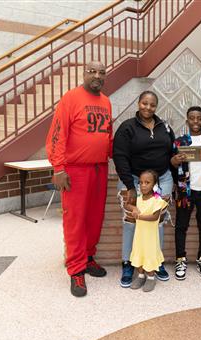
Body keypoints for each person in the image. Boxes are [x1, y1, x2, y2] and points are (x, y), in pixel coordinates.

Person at [45, 61, 112, 297]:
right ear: (84, 74)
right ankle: (75, 270)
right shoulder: (71, 98)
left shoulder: (105, 101)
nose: (97, 76)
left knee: (94, 218)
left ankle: (88, 257)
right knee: (75, 220)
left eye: (101, 72)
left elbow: (107, 135)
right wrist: (59, 167)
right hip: (75, 170)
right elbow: (57, 134)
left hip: (99, 168)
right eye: (92, 71)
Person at [112, 90, 175, 288]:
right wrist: (130, 186)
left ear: (157, 107)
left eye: (152, 104)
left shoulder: (164, 126)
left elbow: (172, 151)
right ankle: (129, 263)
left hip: (162, 178)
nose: (148, 107)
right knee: (132, 221)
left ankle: (155, 263)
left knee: (157, 221)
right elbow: (119, 156)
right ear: (138, 103)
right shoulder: (127, 127)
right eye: (144, 103)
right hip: (135, 181)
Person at [170, 106, 201, 280]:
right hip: (185, 191)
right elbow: (171, 165)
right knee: (181, 226)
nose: (196, 121)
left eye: (199, 118)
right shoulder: (179, 142)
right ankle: (180, 259)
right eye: (192, 118)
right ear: (187, 120)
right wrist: (174, 161)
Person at [124, 170, 168, 292]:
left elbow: (154, 217)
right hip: (139, 237)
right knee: (139, 256)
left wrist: (138, 216)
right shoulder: (138, 199)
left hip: (150, 238)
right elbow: (127, 205)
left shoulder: (157, 201)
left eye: (147, 182)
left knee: (149, 256)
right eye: (141, 182)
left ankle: (151, 278)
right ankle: (140, 276)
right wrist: (133, 208)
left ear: (154, 185)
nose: (143, 185)